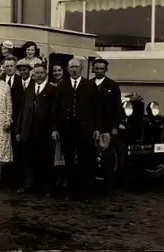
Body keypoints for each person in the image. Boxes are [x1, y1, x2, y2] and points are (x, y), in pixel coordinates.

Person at [51, 58, 100, 202]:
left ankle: (85, 192)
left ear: (82, 68)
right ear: (67, 69)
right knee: (69, 160)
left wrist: (97, 128)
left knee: (86, 160)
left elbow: (96, 109)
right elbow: (55, 109)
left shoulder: (90, 85)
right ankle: (70, 191)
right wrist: (55, 129)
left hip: (85, 129)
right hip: (67, 129)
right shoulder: (62, 85)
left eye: (76, 67)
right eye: (71, 67)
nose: (73, 70)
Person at [15, 64, 57, 196]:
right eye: (36, 73)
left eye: (41, 73)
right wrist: (18, 130)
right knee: (28, 160)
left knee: (45, 160)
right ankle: (29, 185)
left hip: (44, 131)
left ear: (46, 74)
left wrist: (54, 130)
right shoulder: (29, 88)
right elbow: (23, 110)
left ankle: (45, 188)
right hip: (28, 130)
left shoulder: (52, 89)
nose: (38, 75)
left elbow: (55, 112)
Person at [90, 57, 121, 196]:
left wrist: (114, 127)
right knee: (91, 155)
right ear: (93, 69)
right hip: (91, 125)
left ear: (106, 70)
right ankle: (92, 184)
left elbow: (117, 108)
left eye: (102, 68)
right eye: (96, 68)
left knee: (107, 157)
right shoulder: (88, 84)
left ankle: (108, 187)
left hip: (106, 126)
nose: (99, 71)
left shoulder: (112, 86)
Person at [0, 56, 24, 185]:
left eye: (11, 66)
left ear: (15, 67)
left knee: (16, 148)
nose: (9, 68)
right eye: (6, 66)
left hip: (17, 119)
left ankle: (15, 179)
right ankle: (2, 177)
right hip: (1, 120)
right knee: (2, 148)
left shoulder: (21, 81)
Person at [50, 62, 67, 190]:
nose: (57, 73)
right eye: (54, 71)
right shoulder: (51, 86)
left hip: (63, 123)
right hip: (52, 122)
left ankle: (63, 180)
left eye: (59, 70)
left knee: (63, 153)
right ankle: (55, 179)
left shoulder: (66, 85)